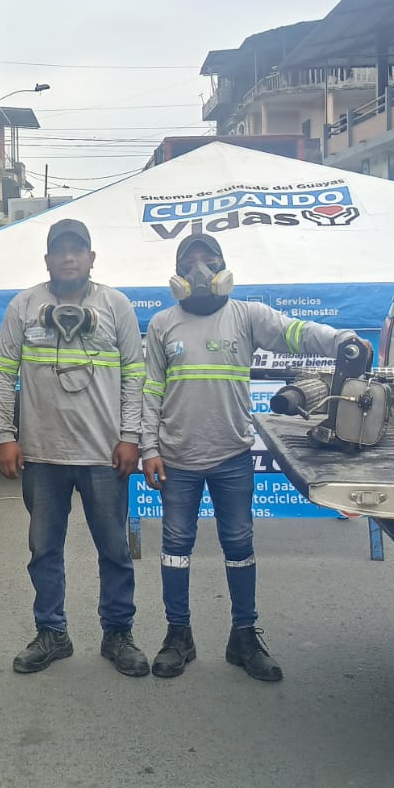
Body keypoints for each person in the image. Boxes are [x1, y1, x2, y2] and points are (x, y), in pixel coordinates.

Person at [140, 232, 358, 683]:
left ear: (223, 267)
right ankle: (178, 636)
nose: (200, 269)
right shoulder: (162, 323)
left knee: (239, 546)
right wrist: (148, 448)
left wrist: (342, 340)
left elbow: (296, 333)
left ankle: (243, 638)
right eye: (190, 261)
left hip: (232, 457)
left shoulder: (248, 315)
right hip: (177, 459)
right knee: (175, 548)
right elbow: (150, 391)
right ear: (178, 272)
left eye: (209, 260)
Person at [0, 218, 150, 677]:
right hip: (42, 455)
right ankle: (51, 633)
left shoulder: (116, 306)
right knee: (44, 551)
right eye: (60, 250)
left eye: (77, 250)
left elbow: (135, 375)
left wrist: (131, 437)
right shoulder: (23, 306)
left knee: (115, 550)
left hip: (104, 454)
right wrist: (5, 435)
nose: (68, 258)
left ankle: (117, 633)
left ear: (91, 258)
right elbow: (3, 373)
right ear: (47, 259)